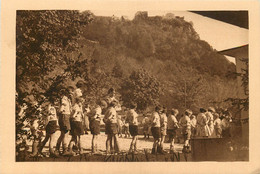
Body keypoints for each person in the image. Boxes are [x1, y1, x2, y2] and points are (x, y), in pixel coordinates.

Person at [56, 88, 72, 156]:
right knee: (65, 133)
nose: (72, 93)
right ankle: (64, 150)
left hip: (65, 116)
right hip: (65, 116)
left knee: (63, 134)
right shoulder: (64, 99)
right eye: (71, 92)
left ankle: (57, 149)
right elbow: (62, 107)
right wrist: (61, 112)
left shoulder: (67, 99)